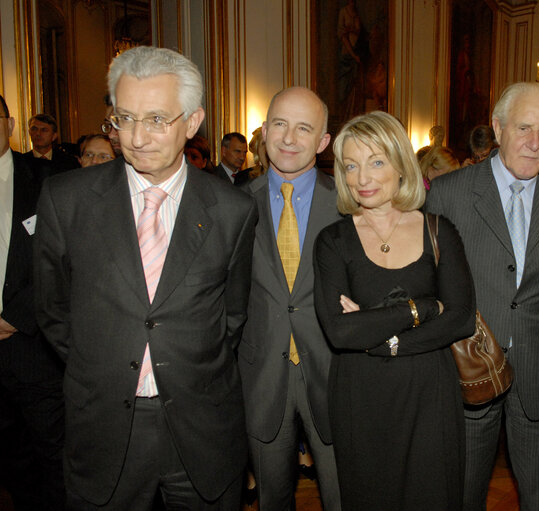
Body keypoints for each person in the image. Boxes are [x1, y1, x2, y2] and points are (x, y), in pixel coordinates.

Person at [34, 46, 256, 510]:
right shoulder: (66, 199)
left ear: (192, 123)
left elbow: (231, 317)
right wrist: (107, 363)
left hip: (201, 430)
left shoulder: (233, 209)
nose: (136, 137)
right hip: (105, 429)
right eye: (124, 118)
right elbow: (53, 311)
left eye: (156, 119)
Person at [427, 82, 539, 511]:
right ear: (498, 128)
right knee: (461, 494)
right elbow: (431, 282)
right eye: (523, 128)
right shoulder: (449, 192)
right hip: (469, 368)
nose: (534, 143)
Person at [313, 110, 475, 510]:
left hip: (429, 394)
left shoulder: (439, 230)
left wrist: (382, 336)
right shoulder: (332, 240)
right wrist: (421, 307)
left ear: (401, 165)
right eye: (350, 165)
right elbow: (340, 332)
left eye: (376, 162)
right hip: (360, 396)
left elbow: (460, 317)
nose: (362, 178)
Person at [237, 86, 341, 511]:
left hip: (334, 373)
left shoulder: (351, 204)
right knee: (271, 500)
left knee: (343, 496)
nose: (288, 138)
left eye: (304, 128)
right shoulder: (233, 205)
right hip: (261, 376)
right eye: (279, 124)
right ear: (264, 131)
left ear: (322, 142)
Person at [0, 94, 65, 511]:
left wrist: (12, 318)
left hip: (29, 347)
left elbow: (58, 260)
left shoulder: (46, 180)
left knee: (51, 457)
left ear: (8, 124)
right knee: (9, 463)